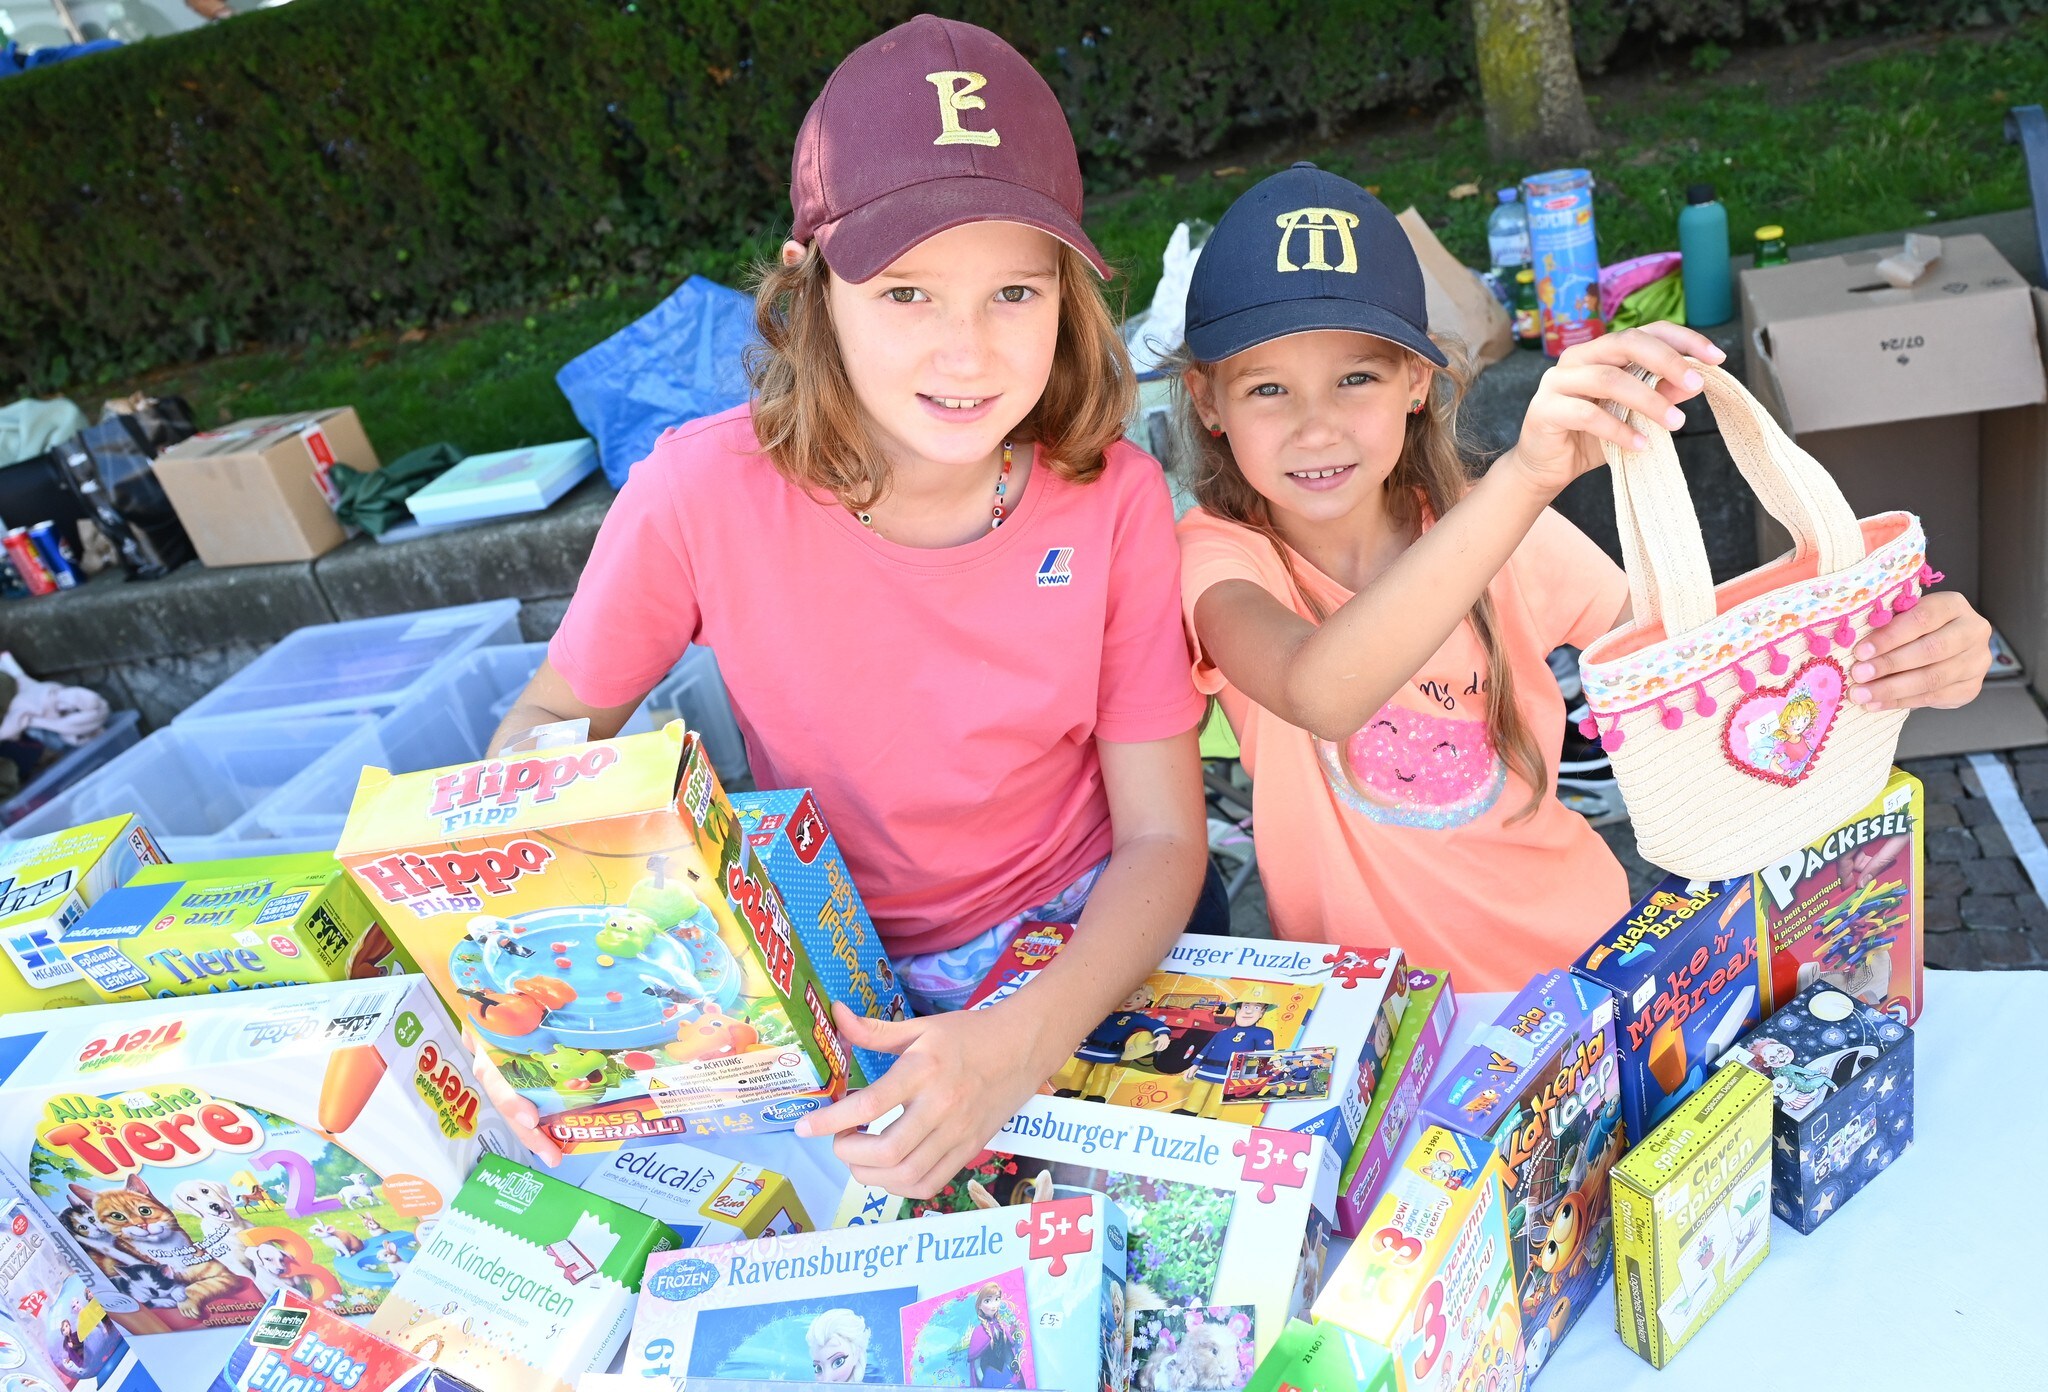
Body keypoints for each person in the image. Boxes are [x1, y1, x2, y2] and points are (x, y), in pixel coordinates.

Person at [484, 16, 1220, 1195]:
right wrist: (561, 928)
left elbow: (1165, 837)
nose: (966, 351)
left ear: (1071, 296)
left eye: (1013, 291)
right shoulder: (694, 491)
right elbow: (548, 723)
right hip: (825, 970)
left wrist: (1023, 1039)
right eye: (907, 293)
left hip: (1084, 938)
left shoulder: (1114, 495)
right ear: (811, 286)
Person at [1175, 163, 1993, 992]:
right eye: (1268, 388)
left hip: (1583, 980)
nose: (1317, 428)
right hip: (1366, 1025)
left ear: (1417, 380)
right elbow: (1320, 691)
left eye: (1356, 378)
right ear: (1209, 403)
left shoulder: (1499, 530)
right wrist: (1526, 479)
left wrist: (1900, 645)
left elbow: (1712, 664)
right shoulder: (1218, 557)